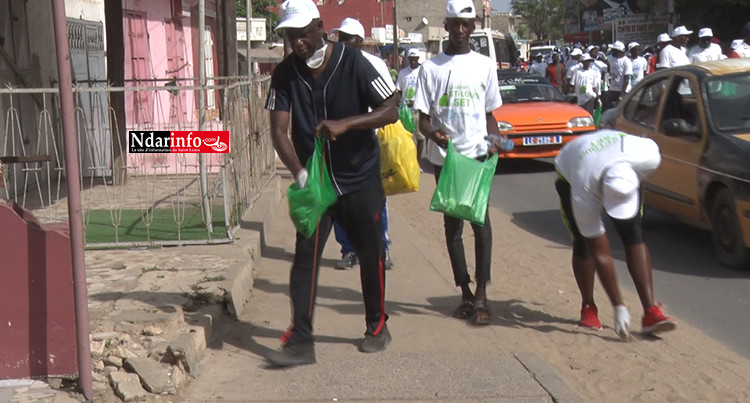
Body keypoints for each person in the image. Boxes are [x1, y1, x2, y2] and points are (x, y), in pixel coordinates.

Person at [265, 0, 398, 367]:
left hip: (359, 177)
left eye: (303, 33)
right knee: (305, 257)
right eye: (291, 36)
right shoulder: (285, 74)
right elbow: (278, 130)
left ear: (320, 27)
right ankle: (301, 340)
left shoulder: (354, 62)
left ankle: (376, 325)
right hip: (317, 182)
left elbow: (391, 108)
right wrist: (300, 173)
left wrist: (347, 123)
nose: (298, 43)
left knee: (370, 254)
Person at [413, 0, 504, 326]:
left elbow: (490, 113)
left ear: (474, 25)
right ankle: (464, 291)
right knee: (453, 226)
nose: (461, 30)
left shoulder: (484, 65)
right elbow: (421, 120)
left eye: (467, 24)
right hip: (446, 160)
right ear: (447, 25)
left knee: (481, 223)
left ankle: (481, 294)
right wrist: (434, 136)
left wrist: (494, 139)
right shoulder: (431, 68)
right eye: (455, 24)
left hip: (478, 155)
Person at [554, 129, 676, 340]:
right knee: (583, 243)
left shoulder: (648, 156)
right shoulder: (583, 186)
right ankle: (588, 306)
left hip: (617, 159)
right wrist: (618, 306)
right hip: (572, 166)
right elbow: (600, 251)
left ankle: (650, 311)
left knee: (634, 234)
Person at [330, 17, 396, 271]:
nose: (344, 43)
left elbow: (391, 103)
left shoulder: (375, 64)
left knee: (374, 199)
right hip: (339, 144)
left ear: (359, 42)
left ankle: (382, 246)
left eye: (349, 39)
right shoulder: (331, 65)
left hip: (370, 143)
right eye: (340, 38)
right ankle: (349, 250)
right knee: (340, 198)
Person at [396, 48, 427, 167]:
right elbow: (398, 91)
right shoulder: (403, 73)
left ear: (418, 59)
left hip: (419, 109)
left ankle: (417, 163)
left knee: (420, 137)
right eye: (411, 59)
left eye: (415, 59)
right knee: (406, 138)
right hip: (406, 111)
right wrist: (400, 104)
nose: (413, 61)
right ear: (408, 59)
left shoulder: (423, 71)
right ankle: (408, 163)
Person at [603, 41, 631, 110]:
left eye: (614, 49)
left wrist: (621, 96)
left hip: (623, 90)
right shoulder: (609, 58)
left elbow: (627, 79)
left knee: (621, 110)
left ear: (618, 51)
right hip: (611, 89)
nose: (612, 51)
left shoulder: (626, 61)